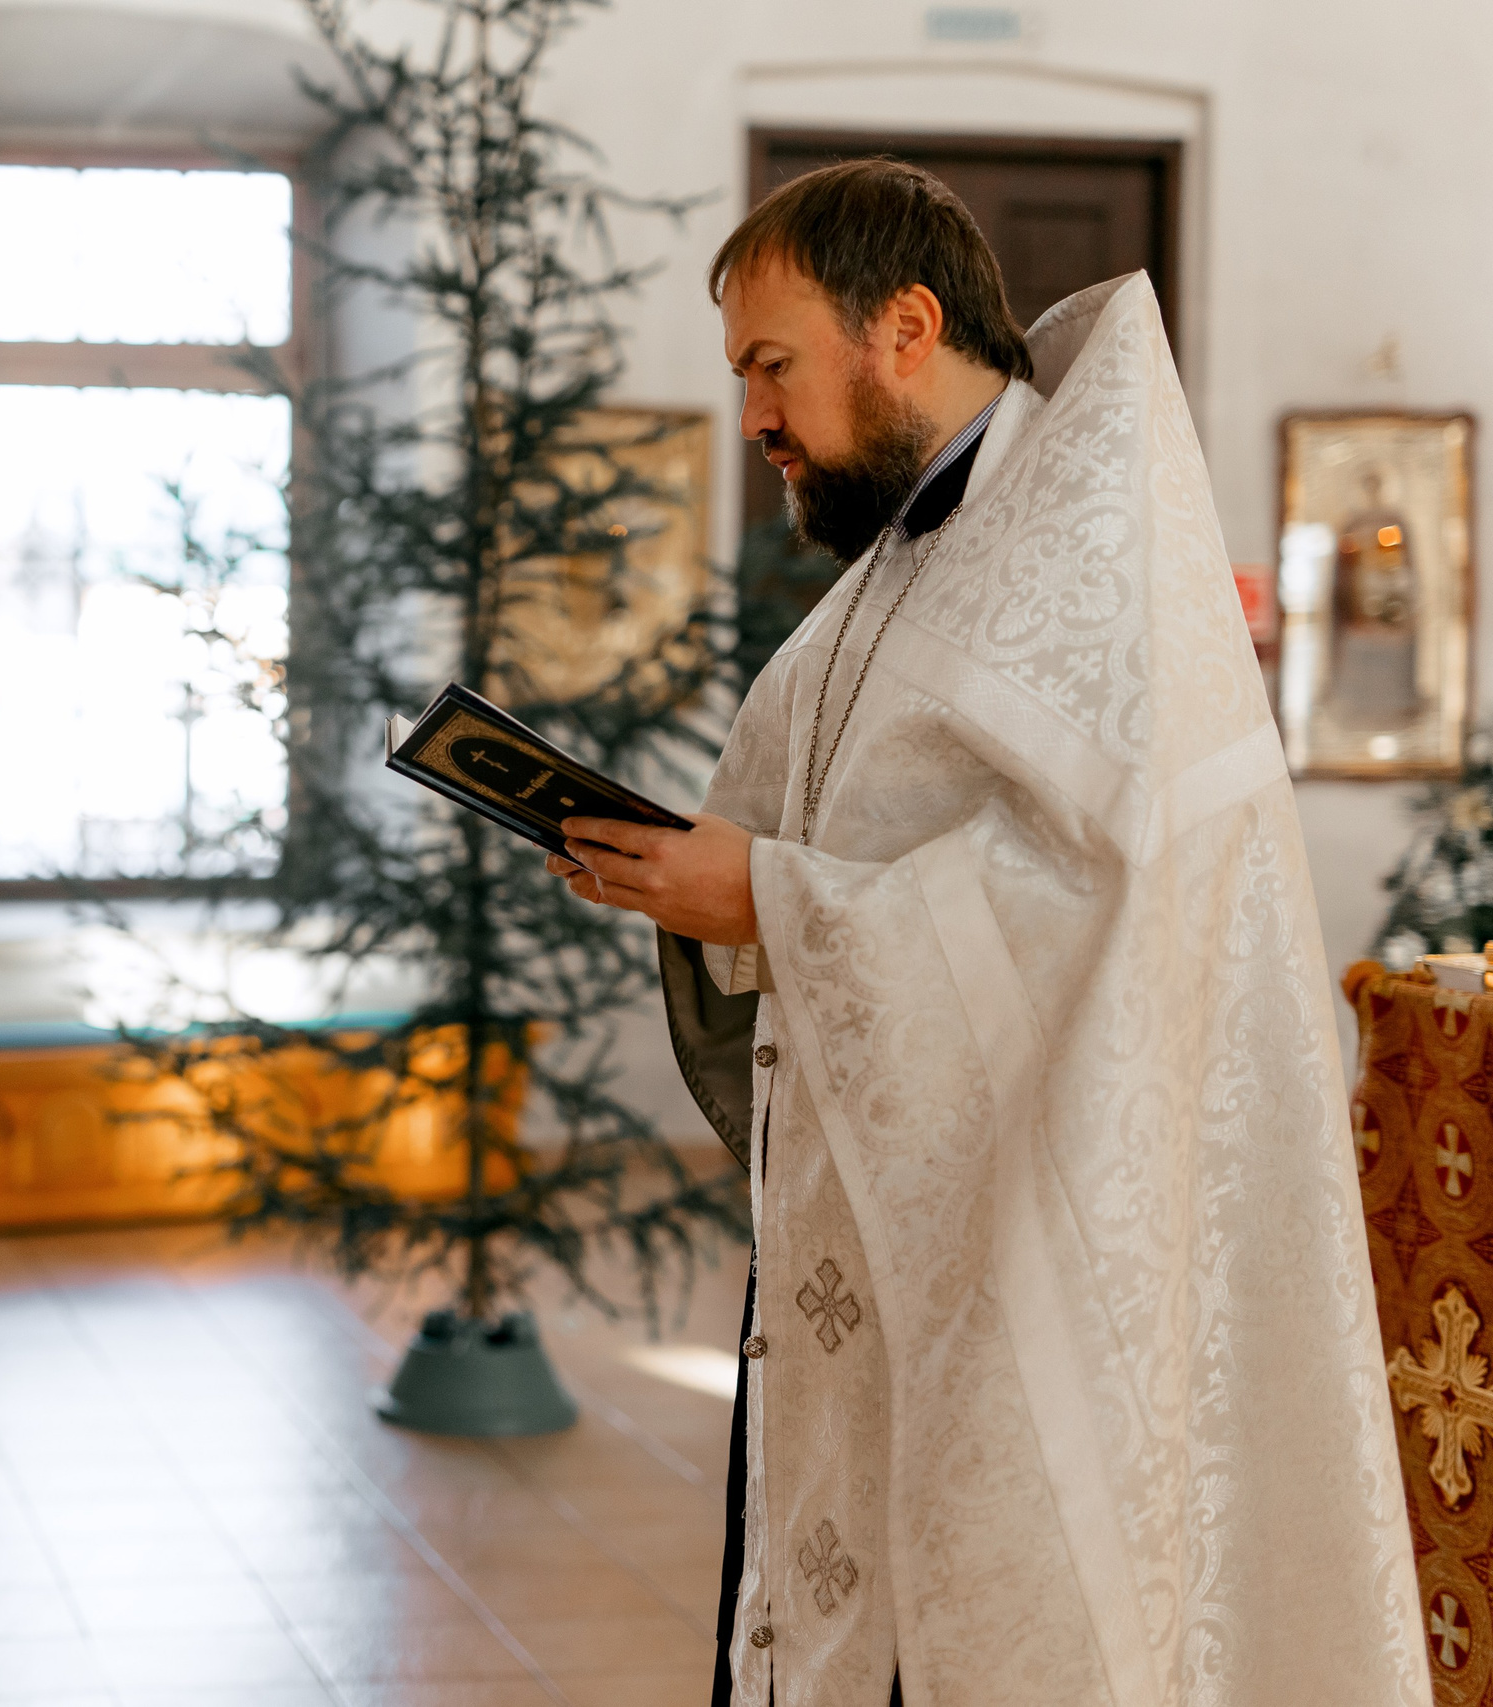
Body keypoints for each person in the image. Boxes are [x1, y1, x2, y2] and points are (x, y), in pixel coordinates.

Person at [552, 160, 1428, 1705]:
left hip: (1036, 1238)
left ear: (902, 325)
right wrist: (699, 884)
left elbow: (1098, 905)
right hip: (867, 1219)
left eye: (773, 364)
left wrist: (760, 898)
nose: (754, 415)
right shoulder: (902, 558)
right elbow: (837, 833)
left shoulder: (1088, 558)